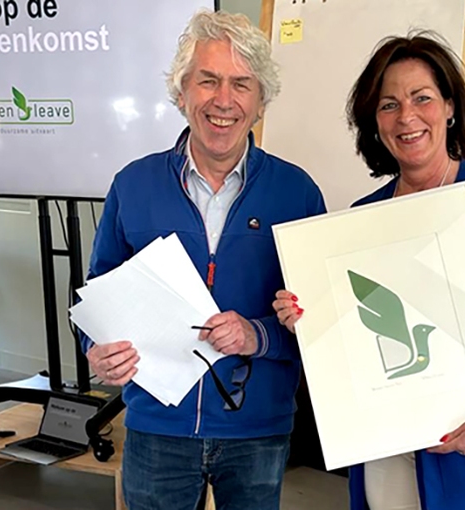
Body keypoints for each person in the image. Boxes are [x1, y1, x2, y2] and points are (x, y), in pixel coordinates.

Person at [273, 32, 465, 510]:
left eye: (422, 98)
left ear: (450, 107)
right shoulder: (362, 217)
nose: (406, 117)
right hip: (384, 450)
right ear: (374, 122)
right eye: (389, 105)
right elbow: (351, 337)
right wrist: (304, 319)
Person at [82, 10, 325, 510]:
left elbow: (321, 322)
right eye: (208, 80)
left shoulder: (297, 193)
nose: (223, 100)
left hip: (257, 429)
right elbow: (98, 293)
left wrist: (255, 335)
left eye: (241, 84)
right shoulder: (133, 185)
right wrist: (96, 349)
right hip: (157, 425)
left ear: (260, 102)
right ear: (181, 92)